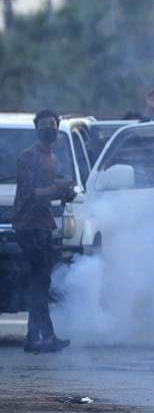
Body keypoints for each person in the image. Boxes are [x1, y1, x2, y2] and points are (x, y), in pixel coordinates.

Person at [12, 109, 74, 353]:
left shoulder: (53, 158)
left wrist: (64, 194)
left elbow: (47, 194)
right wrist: (56, 189)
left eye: (53, 124)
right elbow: (28, 194)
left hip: (44, 225)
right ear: (37, 128)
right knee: (39, 282)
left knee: (41, 283)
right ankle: (44, 336)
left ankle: (34, 336)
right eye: (45, 124)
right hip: (29, 226)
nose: (49, 128)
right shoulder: (28, 157)